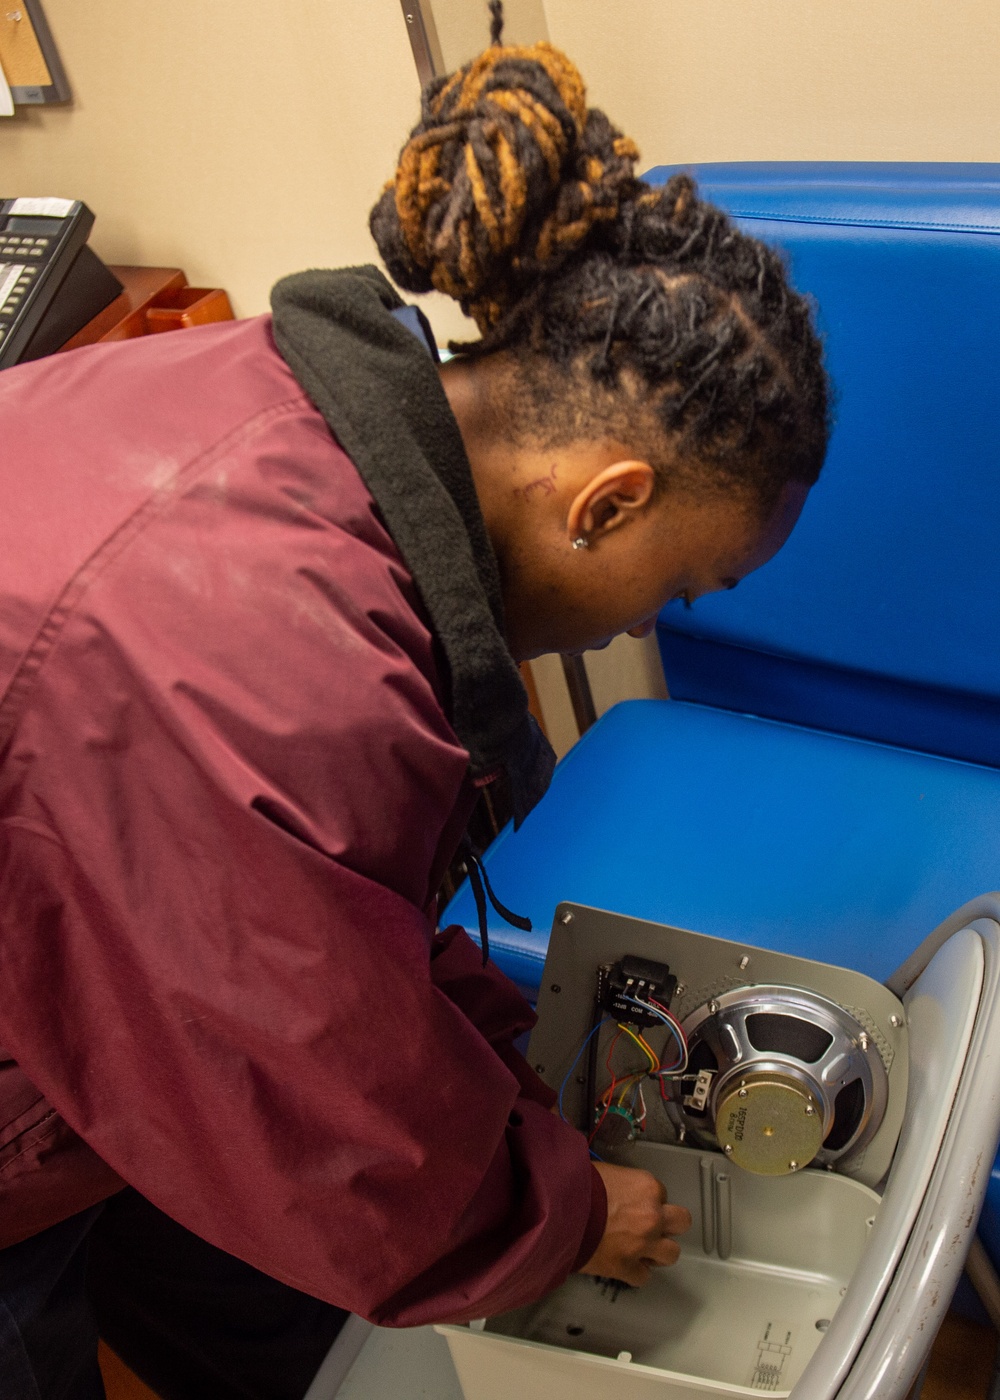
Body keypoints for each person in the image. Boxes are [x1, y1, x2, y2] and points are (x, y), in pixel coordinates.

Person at [0, 6, 829, 1398]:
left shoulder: (282, 394)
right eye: (674, 588)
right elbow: (316, 1104)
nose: (644, 622)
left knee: (261, 1321)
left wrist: (496, 1081)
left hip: (88, 980)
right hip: (33, 1071)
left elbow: (313, 942)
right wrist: (555, 1216)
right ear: (605, 502)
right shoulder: (263, 683)